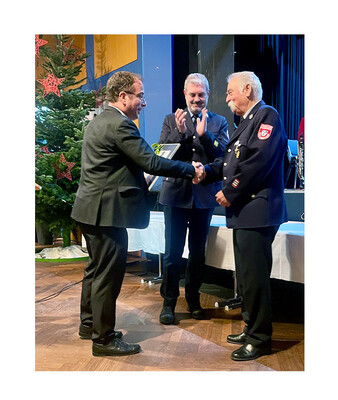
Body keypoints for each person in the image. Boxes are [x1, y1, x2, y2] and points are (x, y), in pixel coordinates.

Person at [71, 71, 204, 357]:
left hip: (89, 209)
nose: (143, 102)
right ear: (123, 97)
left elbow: (116, 168)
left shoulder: (99, 121)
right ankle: (104, 339)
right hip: (106, 213)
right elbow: (151, 161)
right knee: (108, 276)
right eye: (140, 96)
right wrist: (190, 169)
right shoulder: (121, 125)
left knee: (94, 271)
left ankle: (89, 325)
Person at [202, 71, 288, 361]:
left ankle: (260, 339)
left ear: (248, 89)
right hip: (246, 213)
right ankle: (251, 327)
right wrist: (204, 171)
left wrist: (231, 191)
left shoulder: (268, 116)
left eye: (229, 92)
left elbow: (257, 163)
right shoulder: (248, 122)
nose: (226, 98)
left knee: (255, 278)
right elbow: (230, 161)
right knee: (247, 277)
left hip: (257, 210)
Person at [158, 73, 229, 325]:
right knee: (172, 253)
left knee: (198, 254)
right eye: (192, 94)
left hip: (204, 196)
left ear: (207, 94)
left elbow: (224, 156)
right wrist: (181, 134)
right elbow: (163, 155)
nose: (197, 99)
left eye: (201, 94)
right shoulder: (170, 120)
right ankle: (168, 303)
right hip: (176, 195)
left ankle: (193, 300)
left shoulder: (218, 121)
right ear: (185, 95)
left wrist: (206, 135)